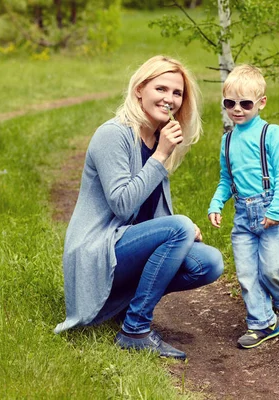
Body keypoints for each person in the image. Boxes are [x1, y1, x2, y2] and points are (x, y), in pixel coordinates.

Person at [54, 55, 224, 360]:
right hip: (98, 250)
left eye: (177, 93)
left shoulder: (159, 138)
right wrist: (159, 158)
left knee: (209, 262)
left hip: (125, 247)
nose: (169, 99)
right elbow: (122, 205)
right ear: (139, 90)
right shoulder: (113, 134)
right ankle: (135, 329)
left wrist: (178, 228)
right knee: (180, 227)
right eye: (161, 88)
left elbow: (147, 211)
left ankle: (122, 307)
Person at [207, 64, 279, 349]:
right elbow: (226, 179)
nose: (237, 109)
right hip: (243, 217)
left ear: (261, 103)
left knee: (273, 269)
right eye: (229, 103)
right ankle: (262, 323)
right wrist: (217, 202)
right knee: (247, 273)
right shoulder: (227, 141)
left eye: (245, 103)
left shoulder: (271, 133)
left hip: (271, 210)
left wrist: (275, 209)